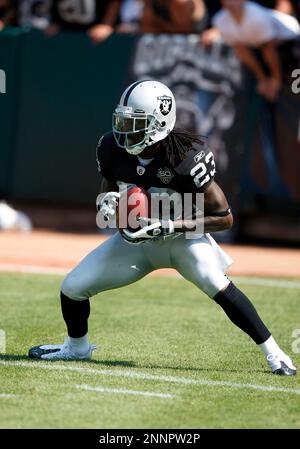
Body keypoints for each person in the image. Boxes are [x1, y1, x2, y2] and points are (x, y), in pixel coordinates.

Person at [28, 80, 296, 376]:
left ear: (159, 124)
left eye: (135, 123)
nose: (124, 130)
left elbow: (224, 217)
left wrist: (168, 225)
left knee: (216, 283)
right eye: (123, 120)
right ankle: (76, 348)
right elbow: (110, 183)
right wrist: (107, 201)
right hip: (136, 243)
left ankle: (275, 353)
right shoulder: (111, 148)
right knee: (72, 287)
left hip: (182, 240)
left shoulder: (185, 157)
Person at [201, 0, 300, 101]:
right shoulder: (220, 20)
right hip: (267, 51)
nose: (230, 2)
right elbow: (243, 52)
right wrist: (262, 79)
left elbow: (269, 50)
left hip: (292, 47)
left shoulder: (257, 17)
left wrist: (276, 80)